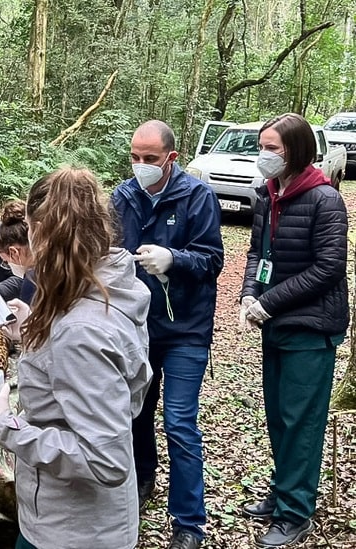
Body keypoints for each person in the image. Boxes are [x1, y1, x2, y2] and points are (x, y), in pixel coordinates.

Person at [0, 167, 152, 549]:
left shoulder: (81, 330)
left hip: (74, 530)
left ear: (38, 233)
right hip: (62, 516)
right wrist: (35, 331)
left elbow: (105, 460)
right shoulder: (104, 284)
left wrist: (1, 425)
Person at [111, 120, 224, 549]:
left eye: (150, 159)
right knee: (134, 412)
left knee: (179, 420)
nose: (140, 166)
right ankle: (141, 480)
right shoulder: (122, 197)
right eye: (135, 158)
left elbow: (212, 260)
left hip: (186, 330)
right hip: (135, 326)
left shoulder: (198, 196)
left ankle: (189, 523)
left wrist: (173, 258)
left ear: (171, 158)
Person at [238, 113, 348, 548]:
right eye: (262, 147)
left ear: (297, 151)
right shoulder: (267, 194)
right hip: (274, 323)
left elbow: (328, 268)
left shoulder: (325, 200)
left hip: (311, 327)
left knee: (302, 422)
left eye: (273, 148)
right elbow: (255, 251)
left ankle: (295, 514)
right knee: (279, 419)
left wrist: (268, 302)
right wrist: (249, 294)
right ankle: (284, 492)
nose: (265, 156)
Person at [0, 199, 36, 304]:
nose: (8, 265)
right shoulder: (59, 267)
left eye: (6, 262)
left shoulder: (31, 282)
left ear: (14, 252)